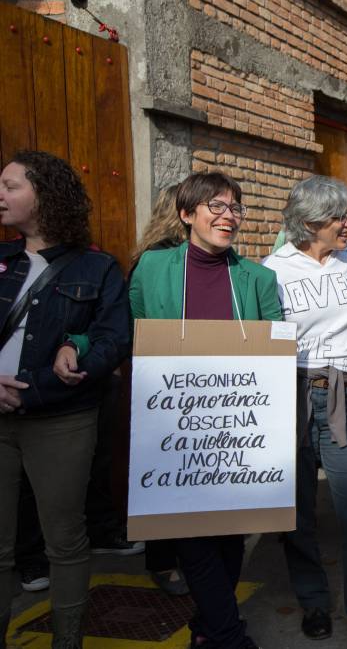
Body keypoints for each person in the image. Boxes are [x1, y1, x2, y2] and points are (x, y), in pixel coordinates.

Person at [130, 172, 281, 649]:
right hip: (176, 427)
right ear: (186, 214)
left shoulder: (258, 278)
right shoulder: (153, 268)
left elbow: (276, 341)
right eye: (216, 206)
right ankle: (229, 635)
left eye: (235, 208)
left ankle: (206, 628)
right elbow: (127, 328)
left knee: (231, 537)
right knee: (192, 534)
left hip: (238, 426)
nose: (228, 216)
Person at [0, 151, 132, 648]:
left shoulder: (97, 267)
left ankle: (67, 641)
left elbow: (112, 340)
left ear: (45, 195)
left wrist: (68, 357)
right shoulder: (1, 261)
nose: (0, 195)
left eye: (11, 186)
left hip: (62, 421)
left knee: (65, 540)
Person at [261, 176, 347, 649]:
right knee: (296, 509)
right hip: (291, 390)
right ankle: (313, 599)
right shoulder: (273, 269)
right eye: (338, 217)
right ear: (310, 222)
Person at [130, 184, 190, 597]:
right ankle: (165, 561)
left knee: (169, 468)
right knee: (171, 470)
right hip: (174, 375)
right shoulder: (162, 260)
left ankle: (166, 559)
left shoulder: (144, 258)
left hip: (159, 375)